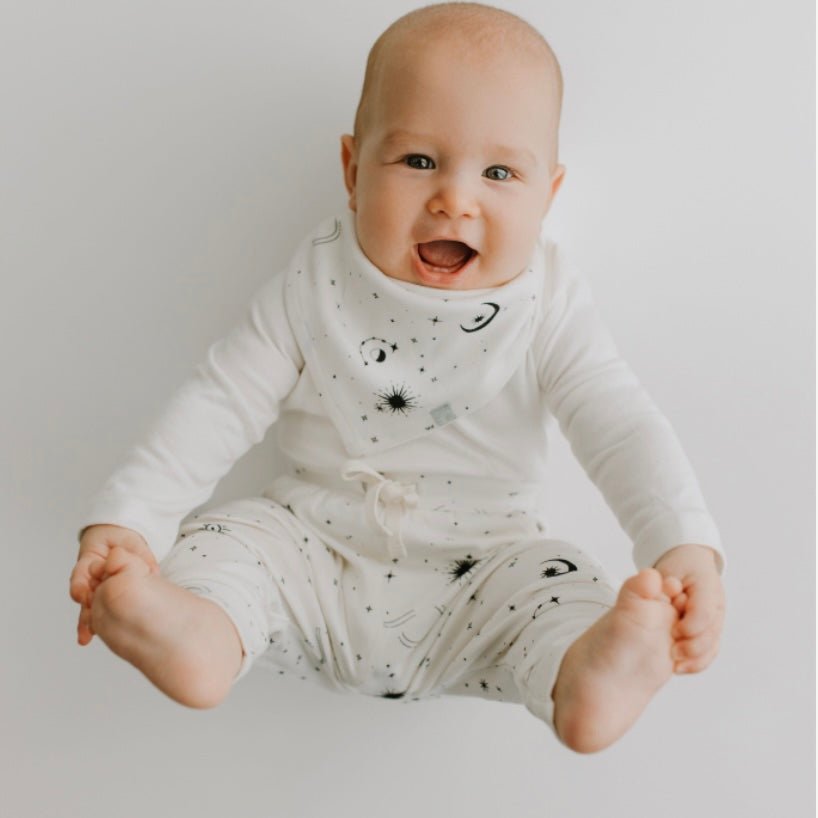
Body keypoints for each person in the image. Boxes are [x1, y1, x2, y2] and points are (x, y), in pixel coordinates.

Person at [69, 1, 726, 754]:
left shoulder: (547, 302)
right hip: (312, 550)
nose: (455, 199)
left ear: (548, 197)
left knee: (557, 586)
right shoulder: (314, 284)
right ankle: (199, 636)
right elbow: (220, 400)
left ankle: (587, 677)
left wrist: (681, 545)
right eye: (418, 161)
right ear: (353, 171)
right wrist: (130, 523)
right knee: (230, 543)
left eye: (500, 172)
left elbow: (619, 424)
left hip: (485, 569)